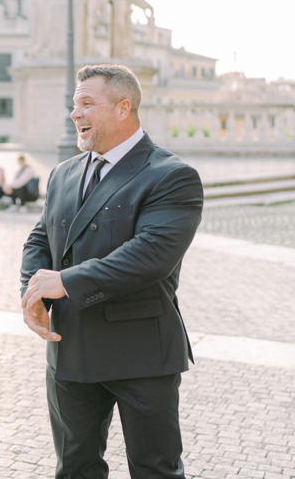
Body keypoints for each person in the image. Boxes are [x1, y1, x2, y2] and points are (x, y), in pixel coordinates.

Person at [20, 64, 203, 479]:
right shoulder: (63, 173)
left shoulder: (171, 175)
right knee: (75, 468)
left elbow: (151, 254)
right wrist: (31, 293)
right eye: (73, 105)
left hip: (141, 352)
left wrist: (65, 282)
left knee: (155, 470)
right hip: (71, 351)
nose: (75, 114)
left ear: (124, 108)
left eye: (87, 104)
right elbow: (38, 241)